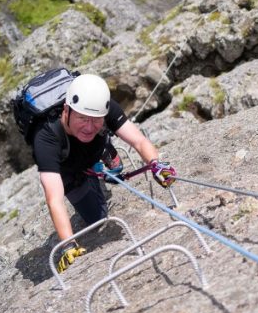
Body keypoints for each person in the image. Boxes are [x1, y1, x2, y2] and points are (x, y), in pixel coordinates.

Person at [30, 73, 176, 273]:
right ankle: (92, 168)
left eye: (96, 120)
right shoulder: (45, 138)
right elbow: (54, 198)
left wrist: (156, 164)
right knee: (96, 218)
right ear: (67, 110)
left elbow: (139, 141)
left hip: (92, 149)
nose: (89, 127)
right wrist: (68, 245)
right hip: (68, 169)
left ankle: (104, 149)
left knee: (106, 154)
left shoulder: (104, 107)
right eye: (82, 118)